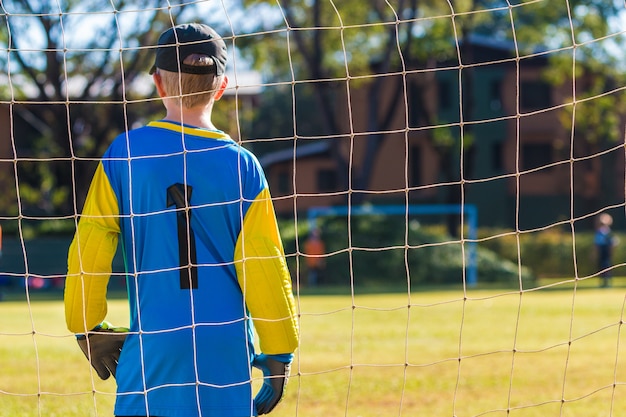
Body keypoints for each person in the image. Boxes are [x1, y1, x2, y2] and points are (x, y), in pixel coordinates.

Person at [64, 23, 299, 417]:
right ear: (222, 87)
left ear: (157, 83)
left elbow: (92, 244)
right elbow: (265, 262)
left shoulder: (125, 154)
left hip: (155, 340)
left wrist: (85, 325)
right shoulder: (243, 165)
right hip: (225, 345)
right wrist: (279, 351)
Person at [594, 212, 618, 288]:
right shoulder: (599, 232)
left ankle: (607, 282)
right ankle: (603, 282)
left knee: (606, 266)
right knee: (601, 266)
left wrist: (611, 249)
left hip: (605, 250)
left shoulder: (607, 232)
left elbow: (613, 242)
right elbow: (596, 243)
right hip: (602, 250)